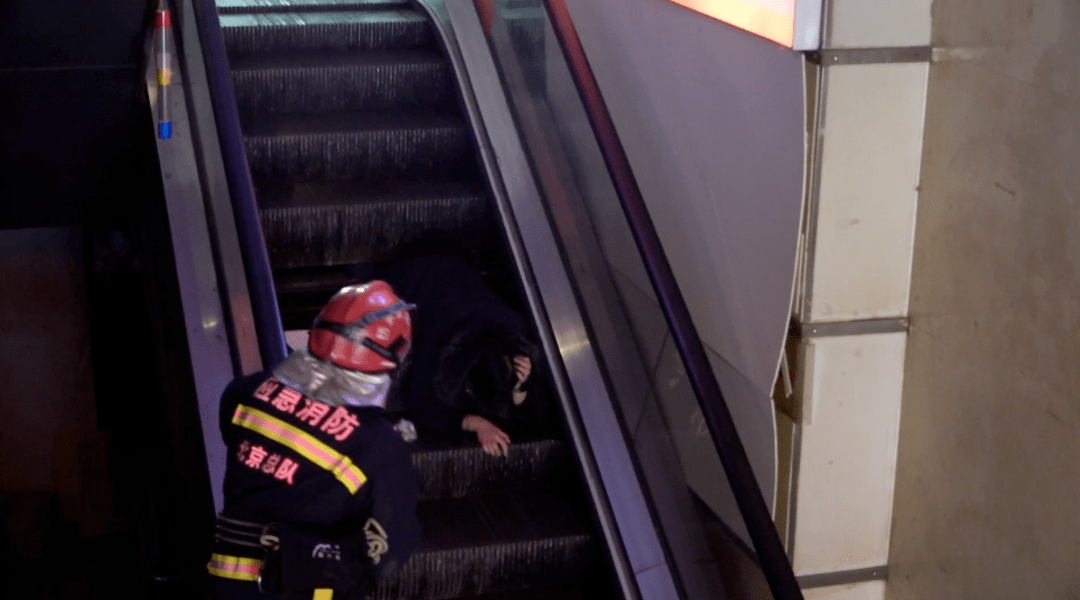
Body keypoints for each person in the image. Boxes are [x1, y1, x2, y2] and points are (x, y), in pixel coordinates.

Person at [207, 281, 421, 600]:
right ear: (392, 359)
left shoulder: (246, 390)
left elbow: (236, 439)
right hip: (305, 588)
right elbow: (395, 541)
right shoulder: (379, 444)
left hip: (226, 580)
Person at [349, 254, 543, 457]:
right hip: (417, 280)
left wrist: (521, 387)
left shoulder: (513, 332)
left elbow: (532, 416)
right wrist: (474, 423)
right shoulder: (447, 336)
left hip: (454, 272)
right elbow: (419, 401)